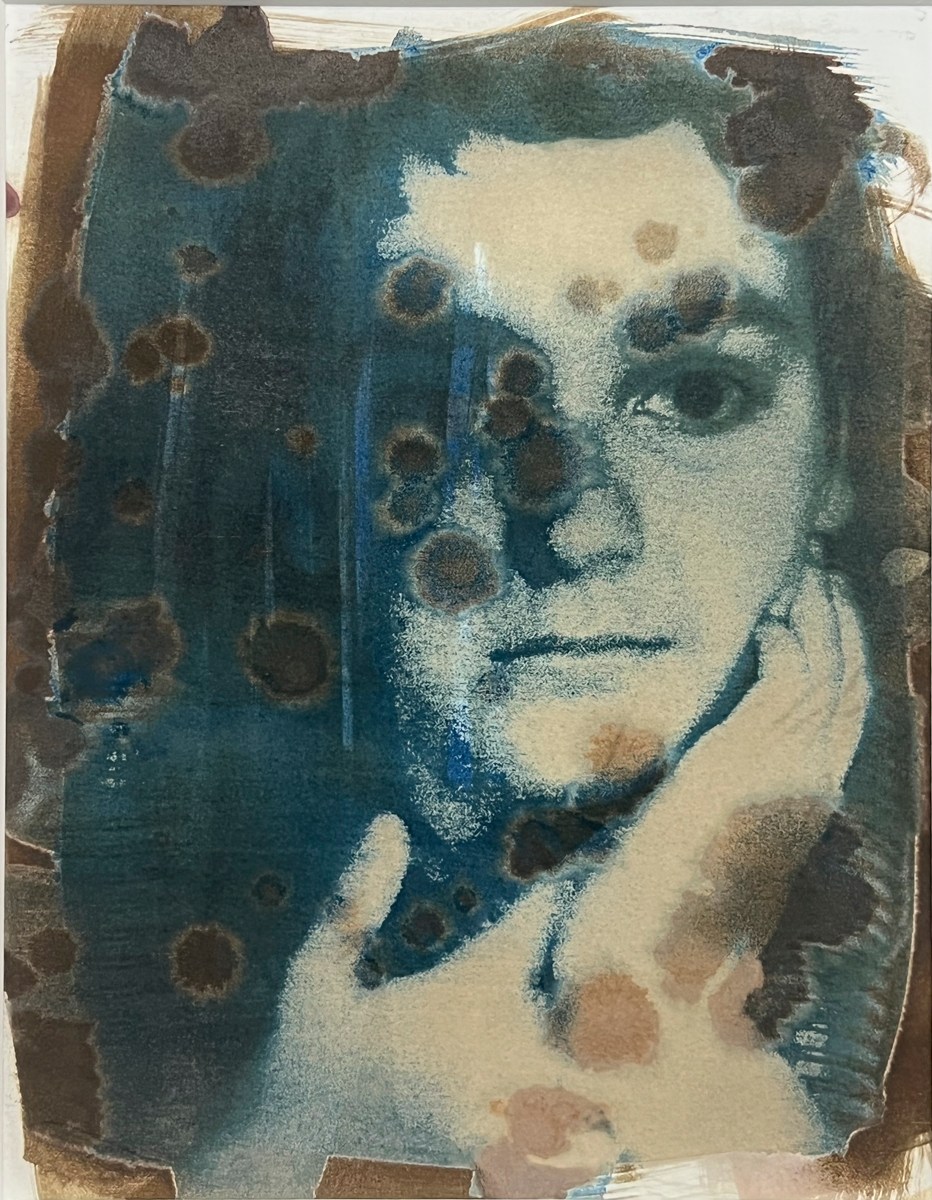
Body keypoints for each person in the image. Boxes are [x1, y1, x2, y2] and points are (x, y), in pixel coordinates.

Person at [47, 10, 925, 1198]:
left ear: (835, 461)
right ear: (318, 465)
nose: (578, 527)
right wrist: (298, 1118)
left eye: (695, 393)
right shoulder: (161, 997)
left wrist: (662, 966)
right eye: (450, 407)